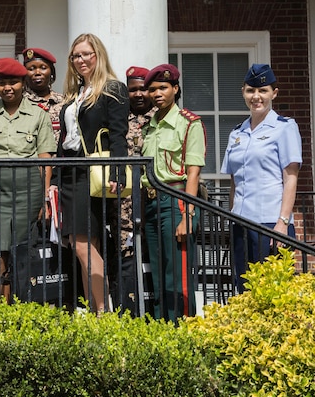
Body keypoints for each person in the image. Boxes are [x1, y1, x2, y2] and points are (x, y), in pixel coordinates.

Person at [53, 33, 129, 314]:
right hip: (70, 172)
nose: (81, 60)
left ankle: (103, 313)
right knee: (86, 247)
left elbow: (119, 136)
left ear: (98, 55)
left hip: (93, 173)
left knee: (83, 245)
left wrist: (117, 172)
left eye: (86, 54)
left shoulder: (113, 89)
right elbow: (64, 141)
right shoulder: (74, 94)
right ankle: (98, 314)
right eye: (76, 56)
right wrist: (55, 180)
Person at [0, 57, 56, 301]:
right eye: (2, 83)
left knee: (21, 252)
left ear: (23, 83)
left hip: (28, 188)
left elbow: (45, 158)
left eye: (13, 82)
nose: (7, 88)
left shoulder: (38, 114)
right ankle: (2, 308)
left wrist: (44, 198)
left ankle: (21, 305)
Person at [221, 63, 301, 293]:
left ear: (274, 93)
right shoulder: (237, 133)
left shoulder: (285, 128)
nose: (256, 97)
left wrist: (282, 223)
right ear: (243, 92)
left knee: (272, 292)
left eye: (263, 90)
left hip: (270, 222)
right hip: (242, 223)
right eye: (250, 90)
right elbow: (234, 182)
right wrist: (232, 216)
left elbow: (291, 178)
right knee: (244, 289)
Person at [141, 63, 205, 322]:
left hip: (177, 200)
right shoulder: (150, 125)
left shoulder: (188, 123)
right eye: (153, 89)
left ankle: (183, 331)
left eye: (163, 88)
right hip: (151, 203)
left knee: (177, 274)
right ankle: (162, 330)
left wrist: (188, 215)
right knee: (157, 272)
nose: (157, 93)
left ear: (175, 89)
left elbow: (193, 173)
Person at [108, 66, 155, 312]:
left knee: (153, 256)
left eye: (143, 89)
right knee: (124, 256)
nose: (138, 94)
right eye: (133, 90)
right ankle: (125, 311)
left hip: (153, 201)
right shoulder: (118, 118)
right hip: (123, 205)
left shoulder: (160, 118)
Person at [21, 47, 64, 142]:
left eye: (43, 68)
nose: (37, 73)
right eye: (31, 69)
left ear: (52, 72)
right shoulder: (20, 103)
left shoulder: (64, 102)